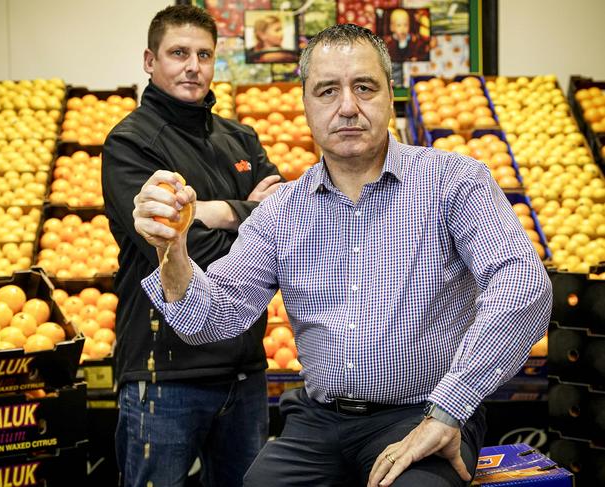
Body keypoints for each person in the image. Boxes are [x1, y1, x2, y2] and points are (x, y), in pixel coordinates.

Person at [133, 24, 552, 487]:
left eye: (364, 87)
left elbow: (522, 284)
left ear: (389, 95)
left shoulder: (454, 182)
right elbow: (209, 319)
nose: (347, 107)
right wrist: (171, 248)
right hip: (319, 421)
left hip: (422, 412)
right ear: (307, 105)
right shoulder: (281, 212)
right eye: (328, 90)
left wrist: (451, 408)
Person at [101, 5, 282, 487]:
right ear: (149, 60)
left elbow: (282, 230)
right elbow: (181, 248)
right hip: (164, 375)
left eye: (204, 54)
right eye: (178, 53)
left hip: (244, 371)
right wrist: (240, 210)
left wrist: (204, 210)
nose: (193, 66)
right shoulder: (129, 143)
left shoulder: (241, 138)